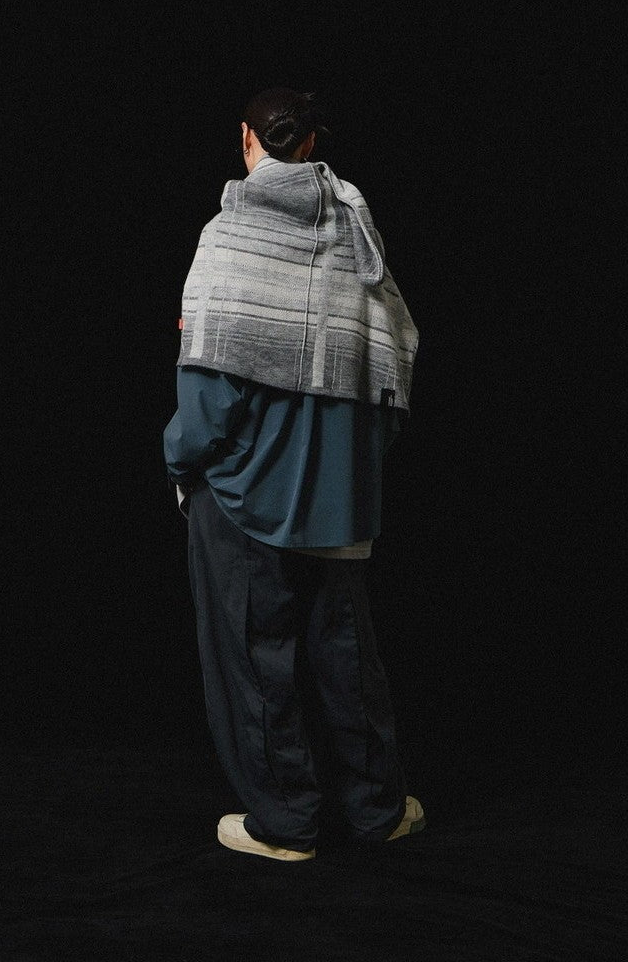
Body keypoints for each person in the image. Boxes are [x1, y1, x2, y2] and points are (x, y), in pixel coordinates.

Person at [162, 87, 423, 862]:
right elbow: (393, 357)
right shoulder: (358, 235)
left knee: (254, 656)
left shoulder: (227, 235)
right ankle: (378, 812)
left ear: (247, 139)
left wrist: (184, 463)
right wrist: (353, 466)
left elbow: (208, 389)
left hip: (244, 491)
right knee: (346, 654)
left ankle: (286, 825)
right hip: (340, 490)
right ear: (312, 143)